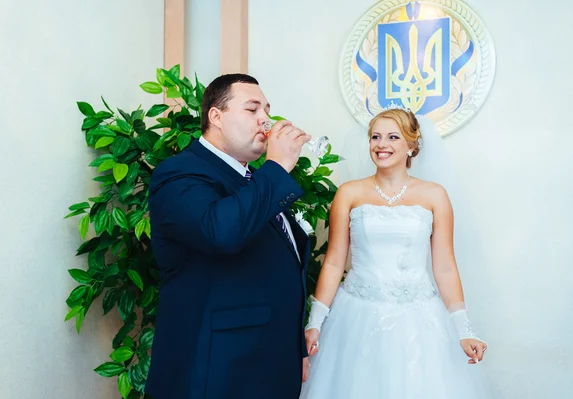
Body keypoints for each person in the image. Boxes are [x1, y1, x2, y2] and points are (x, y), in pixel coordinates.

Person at [299, 107, 491, 398]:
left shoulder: (434, 195)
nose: (381, 144)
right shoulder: (349, 193)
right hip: (358, 315)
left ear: (412, 146)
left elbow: (445, 267)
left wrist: (464, 329)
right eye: (375, 137)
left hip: (418, 317)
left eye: (392, 137)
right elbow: (335, 262)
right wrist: (315, 323)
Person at [145, 73, 313, 399]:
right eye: (253, 110)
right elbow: (220, 232)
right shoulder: (179, 172)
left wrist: (296, 349)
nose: (266, 119)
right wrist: (276, 167)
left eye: (267, 109)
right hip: (217, 369)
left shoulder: (254, 181)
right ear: (216, 116)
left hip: (267, 363)